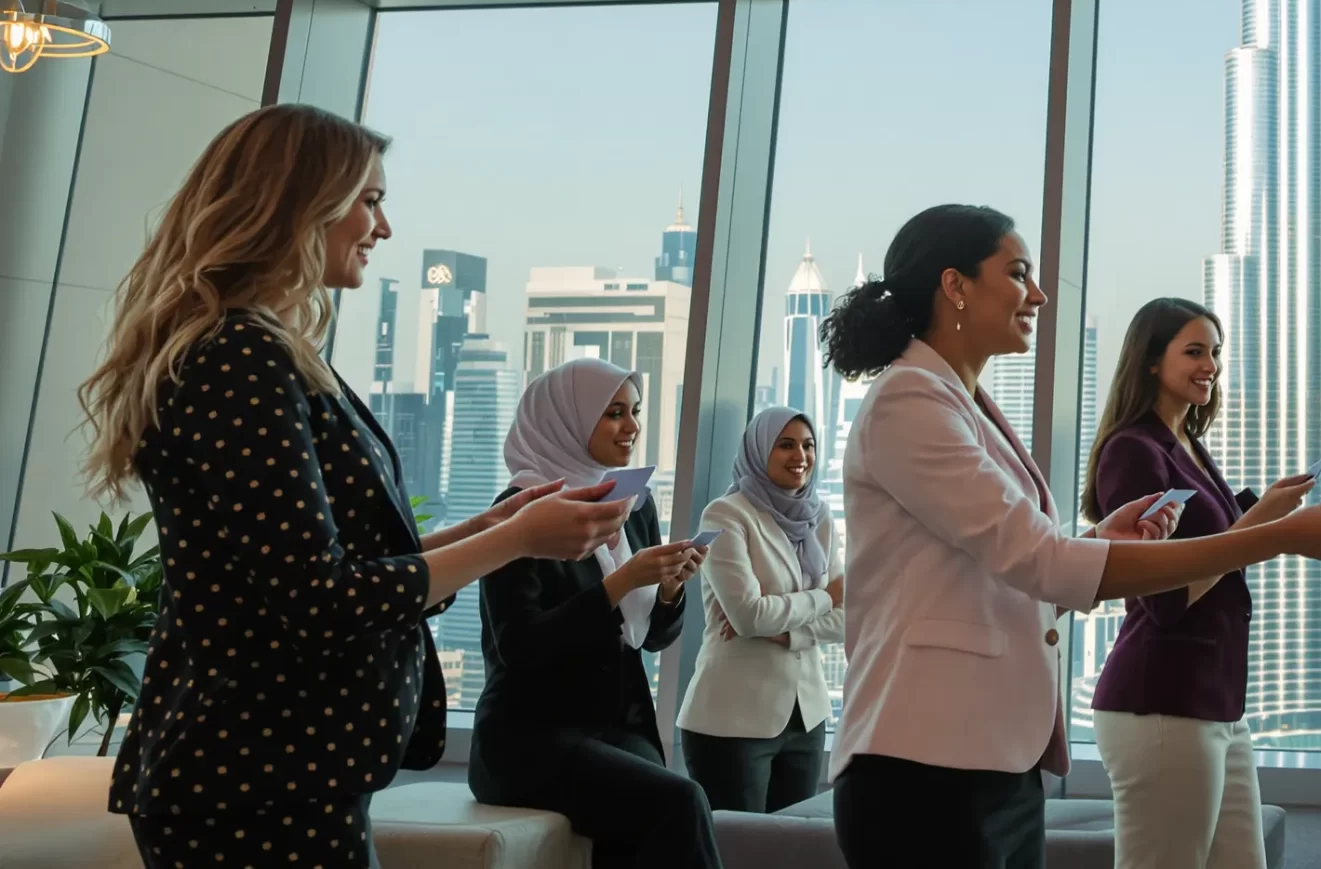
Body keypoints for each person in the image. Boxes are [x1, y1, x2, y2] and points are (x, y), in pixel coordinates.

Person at [81, 104, 630, 868]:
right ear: (300, 204)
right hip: (251, 780)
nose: (384, 226)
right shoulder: (242, 357)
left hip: (284, 776)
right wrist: (515, 539)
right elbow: (320, 597)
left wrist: (495, 529)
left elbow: (346, 561)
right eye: (369, 200)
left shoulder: (269, 350)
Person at [825, 204, 1321, 869]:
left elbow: (1004, 567)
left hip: (992, 757)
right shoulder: (909, 402)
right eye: (1019, 273)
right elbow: (1039, 559)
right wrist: (1276, 535)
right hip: (925, 762)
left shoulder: (959, 401)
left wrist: (1098, 536)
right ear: (956, 285)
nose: (1037, 294)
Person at [1081, 298, 1317, 869]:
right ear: (1151, 362)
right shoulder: (1133, 451)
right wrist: (1272, 528)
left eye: (1215, 352)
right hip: (1162, 702)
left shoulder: (1185, 442)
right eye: (1194, 351)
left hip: (1215, 703)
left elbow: (1217, 546)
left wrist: (1267, 513)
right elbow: (1165, 599)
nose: (1210, 363)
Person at [468, 359, 724, 869]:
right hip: (531, 738)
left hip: (615, 726)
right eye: (613, 413)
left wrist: (669, 590)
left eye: (635, 412)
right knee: (681, 802)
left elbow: (648, 640)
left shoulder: (633, 502)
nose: (631, 427)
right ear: (567, 420)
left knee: (656, 808)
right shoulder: (523, 510)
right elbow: (519, 649)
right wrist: (622, 582)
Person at [678, 406, 845, 812]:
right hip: (731, 719)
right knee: (739, 852)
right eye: (785, 445)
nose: (800, 456)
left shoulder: (819, 518)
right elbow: (749, 615)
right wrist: (825, 598)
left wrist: (788, 633)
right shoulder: (726, 514)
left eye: (808, 445)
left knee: (791, 851)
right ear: (758, 450)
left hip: (806, 719)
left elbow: (849, 618)